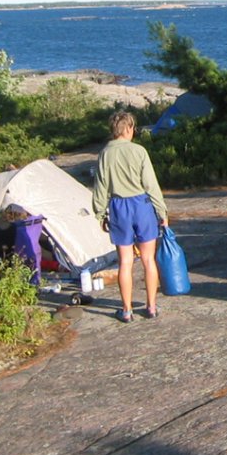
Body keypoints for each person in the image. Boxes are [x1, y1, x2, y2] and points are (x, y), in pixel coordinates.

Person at [92, 110, 169, 322]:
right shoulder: (139, 151)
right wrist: (161, 211)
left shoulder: (105, 154)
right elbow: (150, 184)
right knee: (148, 259)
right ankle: (151, 306)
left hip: (118, 207)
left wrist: (100, 213)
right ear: (128, 129)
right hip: (141, 205)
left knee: (125, 262)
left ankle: (126, 310)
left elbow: (101, 188)